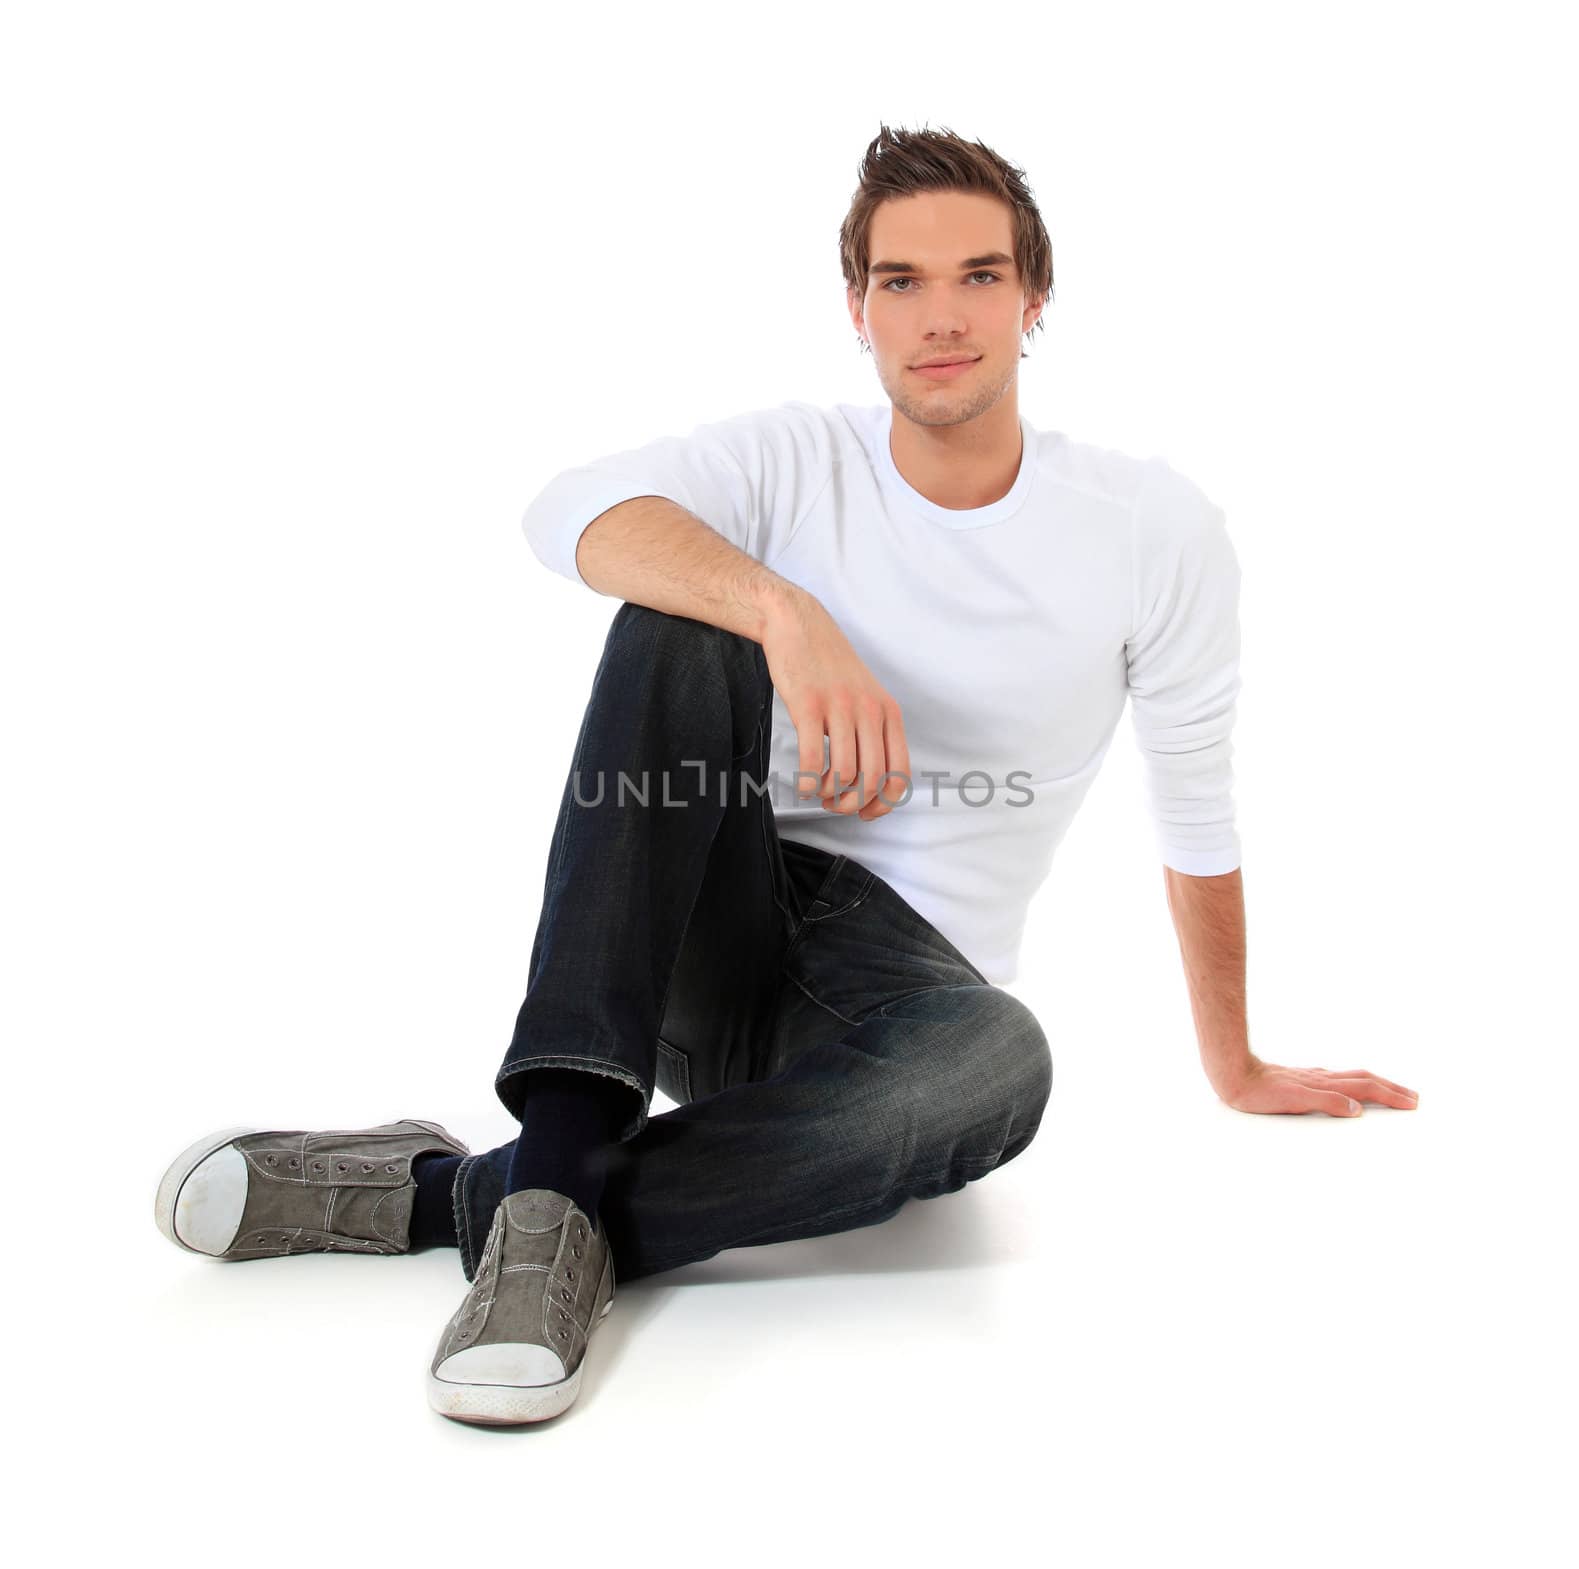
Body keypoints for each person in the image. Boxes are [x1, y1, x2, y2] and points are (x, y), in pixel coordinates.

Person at [152, 123, 1420, 1428]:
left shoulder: (1153, 533)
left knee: (1005, 1060)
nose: (942, 316)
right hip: (710, 904)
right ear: (858, 308)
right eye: (901, 281)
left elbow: (1195, 795)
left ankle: (477, 1197)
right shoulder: (792, 460)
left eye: (980, 276)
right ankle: (568, 1149)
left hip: (902, 996)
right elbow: (565, 511)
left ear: (1035, 299)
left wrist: (1236, 1059)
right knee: (679, 609)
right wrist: (782, 611)